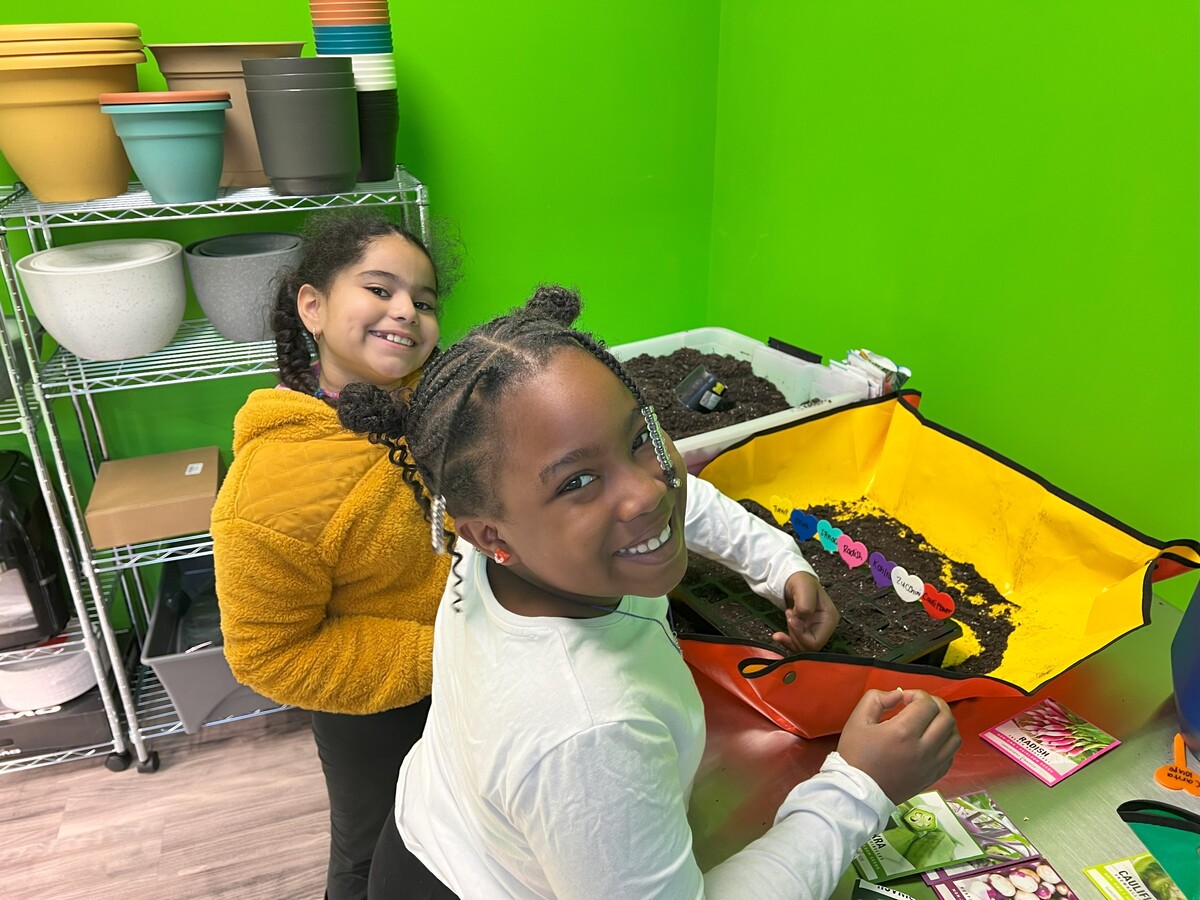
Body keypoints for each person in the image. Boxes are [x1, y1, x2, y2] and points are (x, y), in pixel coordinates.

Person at [336, 285, 962, 899]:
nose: (647, 491)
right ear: (489, 534)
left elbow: (680, 500)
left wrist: (779, 562)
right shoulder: (588, 734)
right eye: (578, 480)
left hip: (442, 826)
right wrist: (860, 786)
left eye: (640, 436)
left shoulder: (510, 542)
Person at [210, 208, 459, 900]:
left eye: (425, 300)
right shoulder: (273, 490)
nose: (407, 310)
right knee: (376, 856)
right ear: (313, 307)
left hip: (472, 672)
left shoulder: (440, 414)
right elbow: (267, 653)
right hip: (375, 708)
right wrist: (438, 654)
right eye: (380, 291)